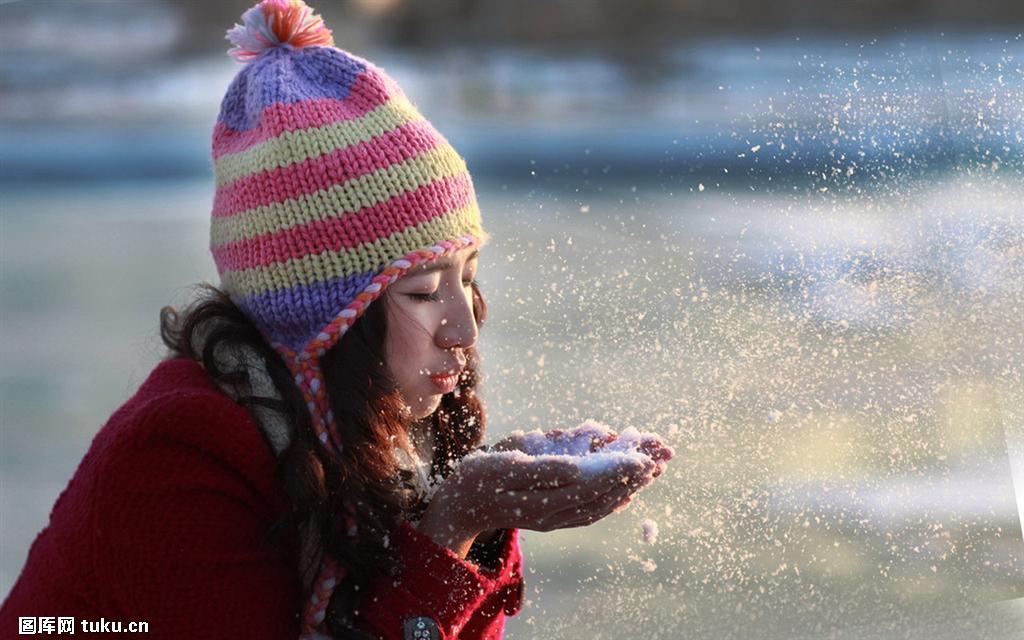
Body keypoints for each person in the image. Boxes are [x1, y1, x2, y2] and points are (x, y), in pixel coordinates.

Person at [0, 1, 672, 638]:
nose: (463, 329)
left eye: (466, 279)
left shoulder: (375, 430)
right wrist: (455, 524)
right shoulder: (180, 458)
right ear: (322, 319)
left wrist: (481, 522)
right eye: (419, 292)